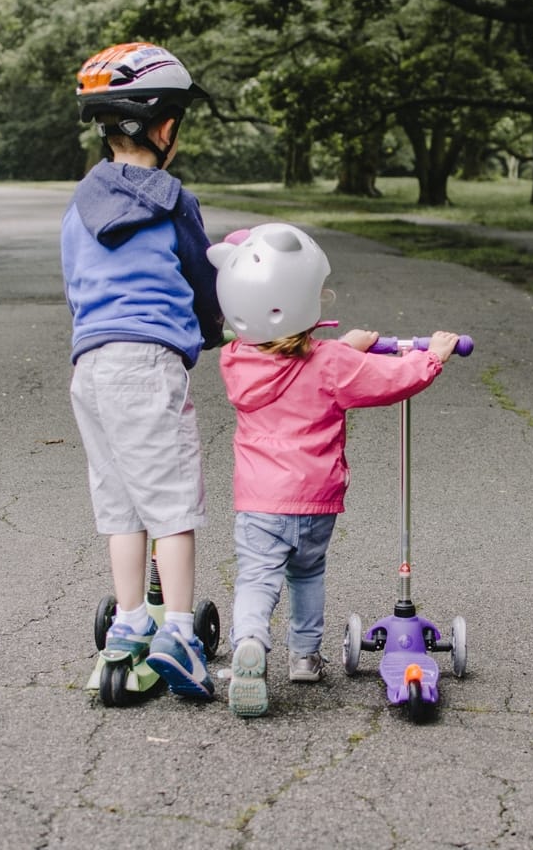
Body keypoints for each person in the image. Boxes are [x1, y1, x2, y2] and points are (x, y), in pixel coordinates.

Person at [205, 223, 460, 718]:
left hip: (259, 500)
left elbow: (291, 356)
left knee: (257, 578)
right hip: (315, 499)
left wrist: (346, 345)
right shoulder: (331, 364)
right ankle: (304, 657)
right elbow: (388, 380)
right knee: (307, 573)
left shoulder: (237, 360)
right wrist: (432, 357)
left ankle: (250, 644)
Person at [62, 41, 223, 701]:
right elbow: (203, 275)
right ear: (164, 129)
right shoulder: (173, 200)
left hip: (91, 366)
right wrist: (216, 331)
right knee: (172, 504)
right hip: (146, 365)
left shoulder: (79, 204)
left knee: (121, 504)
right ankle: (179, 632)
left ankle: (129, 622)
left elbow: (76, 281)